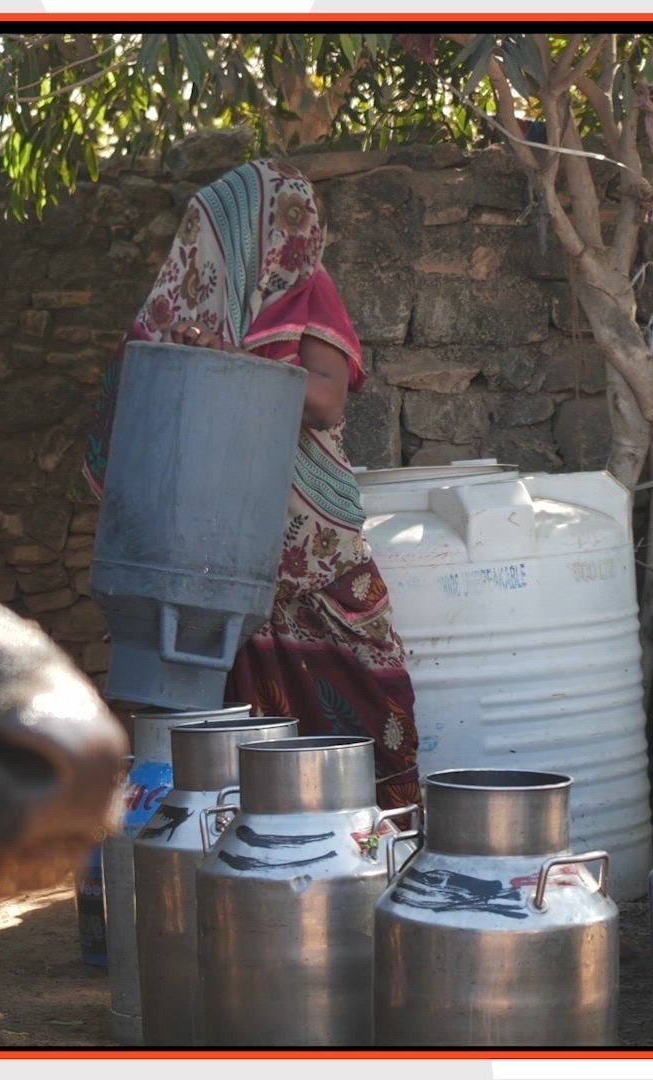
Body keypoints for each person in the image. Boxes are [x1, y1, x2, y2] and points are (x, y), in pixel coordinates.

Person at [83, 159, 421, 810]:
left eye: (306, 218)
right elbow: (147, 405)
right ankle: (257, 858)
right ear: (234, 235)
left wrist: (238, 366)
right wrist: (194, 358)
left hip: (312, 547)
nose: (301, 236)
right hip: (218, 546)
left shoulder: (311, 291)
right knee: (229, 716)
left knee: (368, 693)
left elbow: (325, 401)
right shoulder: (192, 307)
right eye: (285, 220)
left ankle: (376, 839)